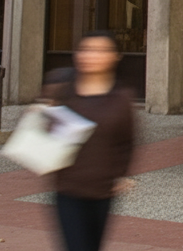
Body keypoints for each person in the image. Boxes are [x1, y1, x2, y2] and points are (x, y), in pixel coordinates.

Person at [43, 31, 137, 251]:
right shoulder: (65, 94)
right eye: (86, 50)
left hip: (102, 192)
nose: (91, 56)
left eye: (100, 50)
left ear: (115, 57)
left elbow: (127, 142)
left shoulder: (121, 99)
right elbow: (48, 136)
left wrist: (122, 174)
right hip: (68, 190)